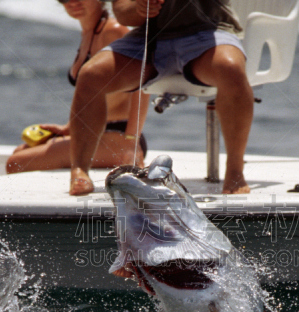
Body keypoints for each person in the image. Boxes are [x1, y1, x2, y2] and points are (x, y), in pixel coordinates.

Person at [67, 0, 253, 196]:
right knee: (90, 75)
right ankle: (79, 170)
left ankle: (235, 169)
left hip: (207, 32)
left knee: (231, 68)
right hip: (150, 37)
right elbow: (122, 13)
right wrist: (138, 8)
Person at [6, 0, 149, 175]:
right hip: (92, 132)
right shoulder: (89, 33)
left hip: (119, 134)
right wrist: (69, 127)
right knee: (19, 152)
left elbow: (144, 85)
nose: (72, 2)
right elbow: (91, 94)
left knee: (16, 163)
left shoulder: (114, 30)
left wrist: (131, 141)